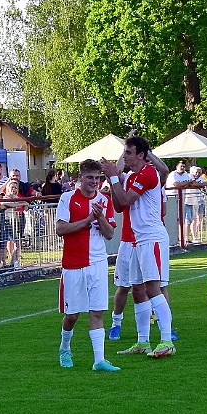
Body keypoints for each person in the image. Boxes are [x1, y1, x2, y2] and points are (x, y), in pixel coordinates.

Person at [101, 135, 177, 358]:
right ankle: (142, 341)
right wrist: (114, 179)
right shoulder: (132, 176)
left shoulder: (148, 173)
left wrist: (114, 178)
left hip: (151, 238)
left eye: (128, 153)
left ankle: (166, 339)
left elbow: (124, 201)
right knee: (137, 290)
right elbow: (118, 205)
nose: (124, 156)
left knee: (153, 288)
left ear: (141, 156)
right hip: (137, 240)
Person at [56, 159, 119, 372]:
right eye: (90, 177)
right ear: (80, 178)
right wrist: (88, 219)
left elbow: (109, 234)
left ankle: (99, 360)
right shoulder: (67, 199)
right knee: (72, 315)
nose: (94, 182)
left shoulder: (104, 200)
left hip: (98, 262)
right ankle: (65, 347)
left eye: (98, 178)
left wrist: (99, 218)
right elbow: (61, 229)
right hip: (74, 263)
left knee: (97, 311)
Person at [183, 166, 206, 243]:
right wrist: (199, 184)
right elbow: (191, 184)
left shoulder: (201, 178)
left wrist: (198, 184)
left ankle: (195, 236)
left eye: (199, 172)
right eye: (196, 172)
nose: (198, 174)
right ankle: (186, 238)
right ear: (192, 172)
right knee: (189, 220)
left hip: (199, 200)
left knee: (199, 219)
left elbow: (206, 183)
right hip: (189, 201)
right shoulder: (189, 176)